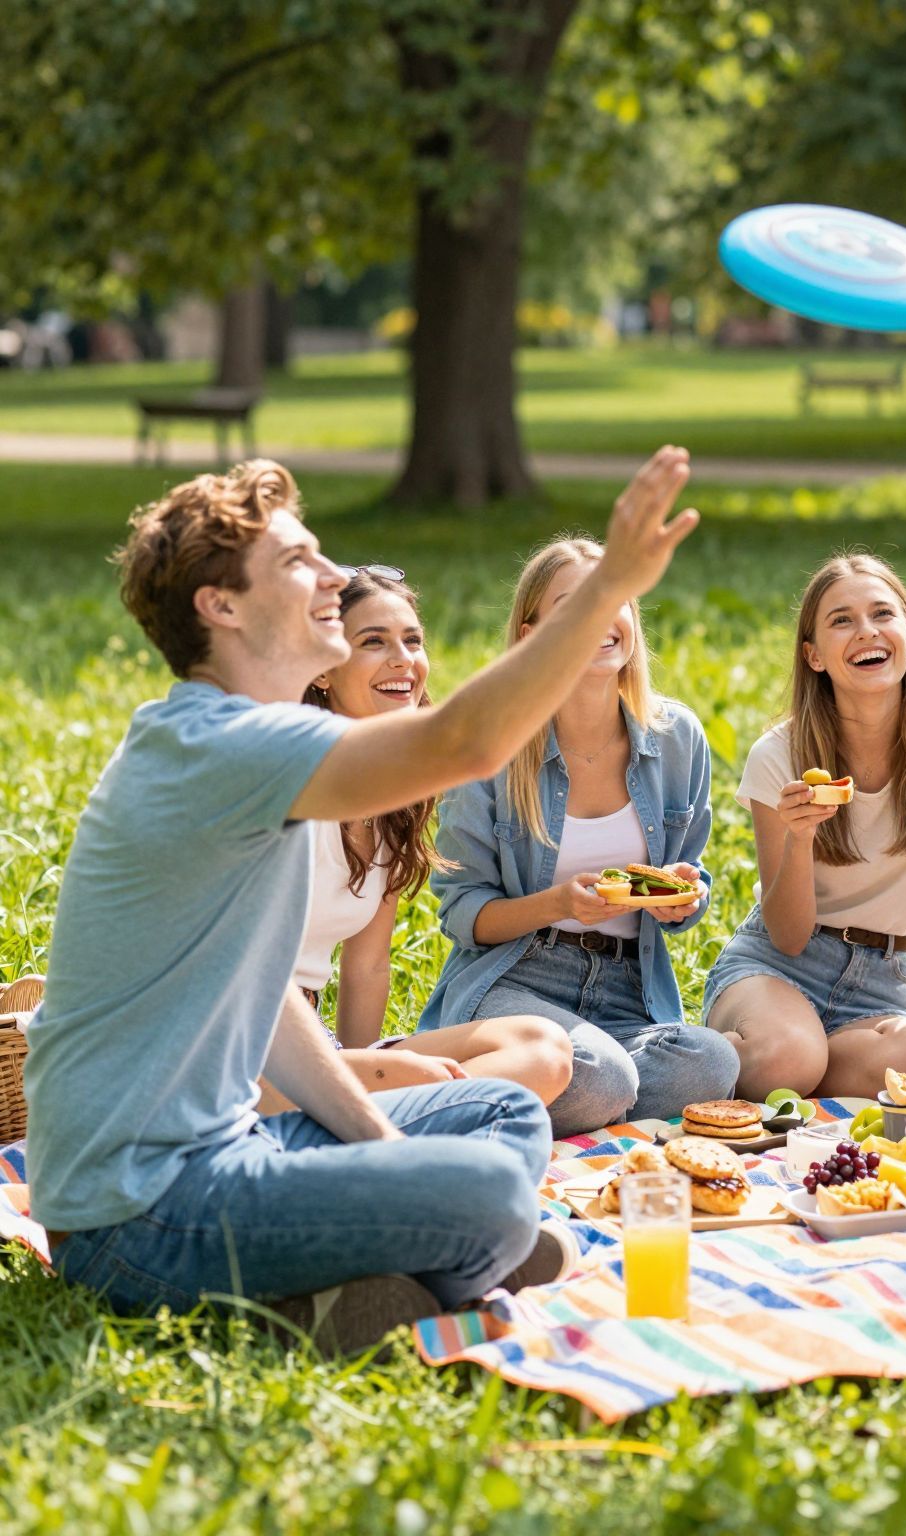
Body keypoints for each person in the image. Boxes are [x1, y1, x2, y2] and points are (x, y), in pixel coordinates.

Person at [23, 449, 703, 1351]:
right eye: (299, 561)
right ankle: (382, 1278)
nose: (335, 575)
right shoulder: (218, 745)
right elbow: (466, 742)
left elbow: (264, 999)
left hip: (232, 1154)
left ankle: (390, 1272)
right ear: (220, 607)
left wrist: (380, 1142)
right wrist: (608, 582)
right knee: (496, 1194)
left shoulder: (258, 747)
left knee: (501, 1112)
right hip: (140, 1212)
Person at [418, 538, 740, 1136]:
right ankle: (448, 1090)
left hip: (626, 989)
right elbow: (464, 916)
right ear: (530, 632)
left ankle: (544, 1105)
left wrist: (681, 899)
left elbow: (683, 886)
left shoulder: (676, 738)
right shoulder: (495, 745)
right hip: (515, 978)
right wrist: (560, 905)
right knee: (604, 1076)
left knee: (712, 1061)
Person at [261, 565, 571, 1112]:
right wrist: (379, 1071)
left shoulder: (390, 799)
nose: (403, 658)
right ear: (322, 670)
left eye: (412, 640)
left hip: (317, 1049)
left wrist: (365, 1068)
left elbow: (368, 965)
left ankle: (355, 1134)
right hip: (245, 1047)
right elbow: (240, 973)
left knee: (542, 1048)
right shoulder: (287, 785)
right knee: (436, 1085)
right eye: (373, 642)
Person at [704, 554, 906, 1099]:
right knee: (786, 1056)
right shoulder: (779, 757)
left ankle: (804, 1070)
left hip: (882, 983)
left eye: (882, 613)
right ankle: (725, 1055)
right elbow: (787, 936)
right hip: (778, 968)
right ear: (813, 656)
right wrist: (800, 837)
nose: (866, 631)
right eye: (841, 619)